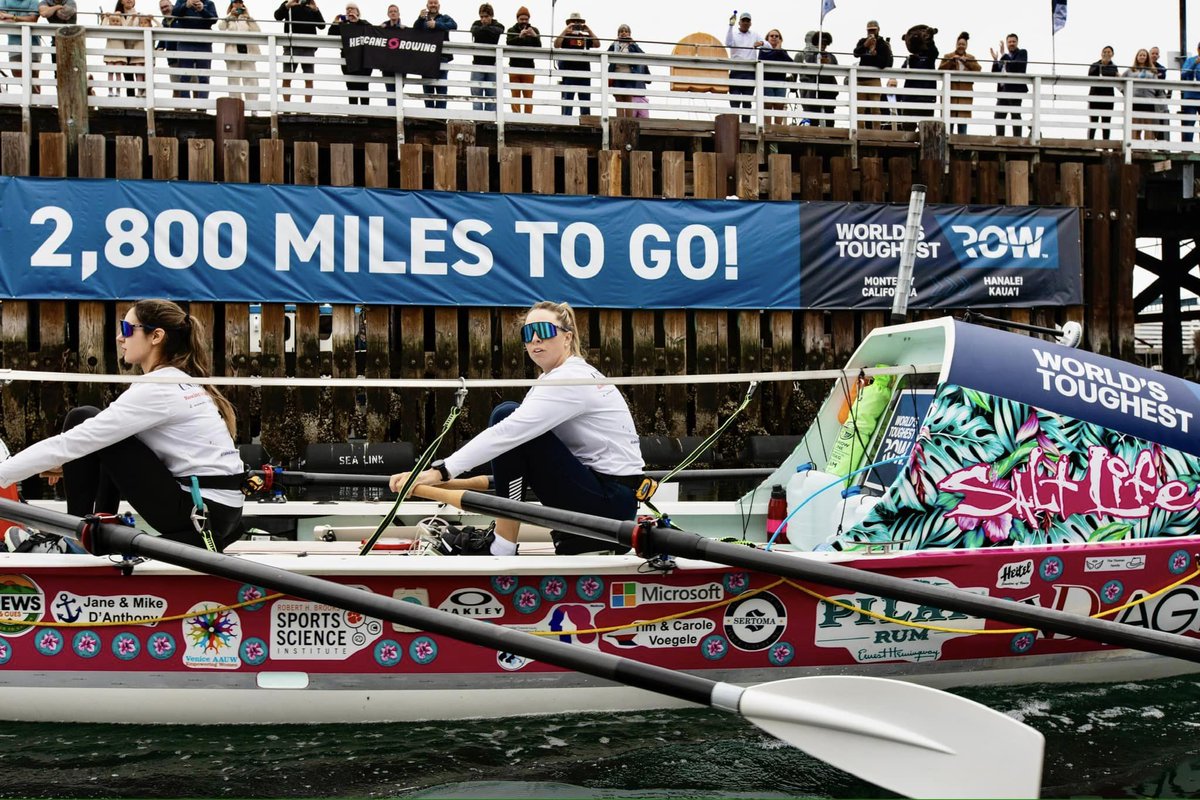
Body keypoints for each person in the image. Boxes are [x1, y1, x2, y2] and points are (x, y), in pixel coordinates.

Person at [388, 301, 643, 557]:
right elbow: (516, 467)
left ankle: (501, 546)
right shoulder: (558, 377)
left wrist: (439, 472)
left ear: (567, 338)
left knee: (506, 414)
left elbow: (507, 433)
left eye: (544, 330)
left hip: (609, 512)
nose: (535, 339)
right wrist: (447, 483)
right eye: (528, 333)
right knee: (511, 418)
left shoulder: (569, 379)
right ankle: (505, 540)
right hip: (611, 503)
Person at [0, 300, 246, 552]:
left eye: (127, 329)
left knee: (83, 419)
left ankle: (75, 540)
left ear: (156, 336)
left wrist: (2, 476)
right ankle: (93, 529)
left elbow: (71, 442)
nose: (120, 337)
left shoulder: (159, 388)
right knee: (98, 428)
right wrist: (73, 464)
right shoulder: (181, 381)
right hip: (221, 512)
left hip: (200, 514)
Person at [274, 0, 325, 103]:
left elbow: (322, 25)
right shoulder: (288, 2)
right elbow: (277, 16)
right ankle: (287, 107)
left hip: (308, 47)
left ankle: (307, 107)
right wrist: (287, 6)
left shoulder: (310, 5)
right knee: (287, 77)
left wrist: (316, 10)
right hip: (291, 46)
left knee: (309, 78)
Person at [102, 0, 155, 99]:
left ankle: (142, 102)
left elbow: (147, 26)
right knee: (128, 80)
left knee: (141, 77)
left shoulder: (139, 15)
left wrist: (151, 20)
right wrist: (106, 17)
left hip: (137, 50)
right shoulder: (116, 16)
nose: (129, 0)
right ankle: (131, 103)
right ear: (121, 1)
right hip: (123, 51)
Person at [171, 0, 218, 100]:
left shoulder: (209, 3)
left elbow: (214, 20)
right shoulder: (181, 1)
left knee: (204, 77)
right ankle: (186, 105)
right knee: (184, 76)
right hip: (185, 43)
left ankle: (202, 105)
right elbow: (174, 13)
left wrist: (202, 10)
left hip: (204, 44)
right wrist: (186, 6)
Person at [554, 11, 598, 117]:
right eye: (573, 22)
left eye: (578, 22)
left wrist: (589, 31)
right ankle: (566, 119)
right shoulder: (565, 37)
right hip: (569, 73)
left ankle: (586, 121)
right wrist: (565, 31)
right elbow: (556, 44)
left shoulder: (585, 37)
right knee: (568, 101)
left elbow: (597, 44)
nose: (576, 24)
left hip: (584, 73)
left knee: (585, 102)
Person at [414, 0, 456, 109]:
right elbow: (415, 29)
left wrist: (436, 24)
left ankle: (440, 115)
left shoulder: (445, 17)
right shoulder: (423, 19)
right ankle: (429, 115)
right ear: (427, 6)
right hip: (426, 58)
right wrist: (420, 18)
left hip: (442, 57)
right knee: (428, 89)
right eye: (431, 3)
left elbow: (454, 25)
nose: (433, 5)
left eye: (435, 3)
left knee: (441, 88)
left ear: (439, 6)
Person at [852, 19, 892, 129]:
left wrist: (875, 55)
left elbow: (885, 64)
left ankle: (876, 132)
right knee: (859, 109)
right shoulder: (862, 41)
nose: (871, 32)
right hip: (861, 80)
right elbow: (855, 53)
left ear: (878, 30)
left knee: (875, 109)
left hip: (874, 79)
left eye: (873, 30)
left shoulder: (883, 44)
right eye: (869, 30)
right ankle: (860, 132)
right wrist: (865, 45)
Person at [217, 0, 260, 101]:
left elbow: (257, 31)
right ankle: (235, 103)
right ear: (231, 5)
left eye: (240, 2)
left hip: (248, 52)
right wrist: (230, 16)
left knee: (250, 79)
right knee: (233, 79)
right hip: (232, 52)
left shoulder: (247, 19)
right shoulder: (228, 19)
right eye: (235, 2)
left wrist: (248, 17)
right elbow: (221, 28)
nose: (238, 4)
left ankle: (252, 104)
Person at [328, 2, 371, 104]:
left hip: (363, 59)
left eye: (352, 8)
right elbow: (330, 35)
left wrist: (357, 21)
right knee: (351, 86)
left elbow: (371, 31)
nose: (349, 10)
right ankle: (353, 110)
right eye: (347, 9)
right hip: (348, 59)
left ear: (357, 12)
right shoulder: (343, 25)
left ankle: (365, 110)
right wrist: (335, 22)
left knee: (364, 86)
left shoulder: (363, 23)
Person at [724, 9, 762, 123]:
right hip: (736, 70)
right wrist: (730, 26)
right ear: (739, 22)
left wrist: (761, 43)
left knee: (747, 101)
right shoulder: (733, 34)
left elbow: (768, 46)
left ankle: (745, 125)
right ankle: (734, 124)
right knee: (734, 99)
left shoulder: (755, 35)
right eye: (743, 20)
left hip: (750, 72)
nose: (745, 22)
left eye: (747, 21)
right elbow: (728, 43)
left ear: (750, 23)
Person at [938, 32, 979, 135]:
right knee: (948, 126)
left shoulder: (971, 57)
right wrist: (951, 61)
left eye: (963, 44)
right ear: (956, 44)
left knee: (962, 126)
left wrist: (967, 62)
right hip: (950, 95)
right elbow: (940, 69)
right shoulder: (948, 56)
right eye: (959, 44)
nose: (961, 46)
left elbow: (978, 70)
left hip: (965, 96)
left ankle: (962, 144)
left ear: (966, 46)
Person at [608, 23, 649, 119]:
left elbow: (642, 54)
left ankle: (629, 120)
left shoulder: (632, 45)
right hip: (616, 75)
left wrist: (633, 42)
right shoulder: (615, 45)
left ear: (629, 33)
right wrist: (614, 42)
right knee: (619, 100)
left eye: (626, 31)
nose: (624, 33)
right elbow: (608, 54)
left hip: (629, 75)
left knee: (628, 100)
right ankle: (620, 120)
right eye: (621, 31)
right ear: (618, 34)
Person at [990, 32, 1027, 137]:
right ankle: (1000, 139)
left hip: (1015, 90)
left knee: (1015, 116)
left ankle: (1017, 139)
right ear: (1006, 44)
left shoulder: (1022, 53)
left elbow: (1016, 66)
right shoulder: (1004, 57)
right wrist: (995, 60)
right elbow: (995, 73)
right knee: (998, 116)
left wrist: (1003, 55)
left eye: (1013, 41)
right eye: (1009, 42)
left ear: (1017, 42)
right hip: (1003, 91)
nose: (1011, 44)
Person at [1, 0, 42, 94]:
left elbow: (33, 19)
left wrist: (13, 17)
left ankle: (36, 99)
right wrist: (22, 18)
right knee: (16, 71)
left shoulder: (33, 1)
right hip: (13, 43)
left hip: (33, 43)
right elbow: (1, 16)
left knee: (34, 75)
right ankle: (34, 95)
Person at [505, 5, 540, 113]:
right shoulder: (511, 30)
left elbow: (539, 46)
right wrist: (520, 37)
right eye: (522, 19)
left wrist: (534, 36)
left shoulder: (534, 30)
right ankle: (516, 117)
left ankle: (527, 118)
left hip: (529, 68)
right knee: (515, 95)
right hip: (514, 67)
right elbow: (509, 43)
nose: (524, 21)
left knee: (528, 95)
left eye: (526, 19)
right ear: (517, 19)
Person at [469, 3, 503, 112]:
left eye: (486, 16)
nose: (483, 19)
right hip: (477, 64)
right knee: (476, 94)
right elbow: (475, 31)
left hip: (492, 65)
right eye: (481, 17)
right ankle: (478, 118)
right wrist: (487, 30)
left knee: (491, 94)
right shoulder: (476, 24)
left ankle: (489, 119)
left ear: (491, 16)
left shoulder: (498, 25)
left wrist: (484, 29)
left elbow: (499, 30)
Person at [801, 31, 837, 126]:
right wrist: (816, 60)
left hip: (829, 89)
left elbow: (836, 70)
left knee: (830, 114)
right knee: (814, 116)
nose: (823, 45)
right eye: (820, 42)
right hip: (815, 89)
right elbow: (807, 73)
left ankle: (830, 132)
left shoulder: (831, 56)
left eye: (825, 43)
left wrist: (827, 62)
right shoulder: (811, 56)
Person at [1123, 48, 1158, 141]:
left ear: (1147, 57)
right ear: (1137, 57)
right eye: (1140, 55)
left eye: (1144, 55)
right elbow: (1120, 81)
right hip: (1134, 100)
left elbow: (1157, 84)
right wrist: (1124, 91)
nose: (1142, 57)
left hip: (1149, 99)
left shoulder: (1152, 71)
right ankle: (1134, 145)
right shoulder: (1130, 70)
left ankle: (1147, 146)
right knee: (1135, 124)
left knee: (1148, 124)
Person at [1087, 45, 1118, 141]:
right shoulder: (1095, 64)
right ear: (1101, 53)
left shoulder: (1114, 67)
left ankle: (1105, 145)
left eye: (1109, 52)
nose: (1106, 54)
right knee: (1093, 122)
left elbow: (1116, 78)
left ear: (1112, 54)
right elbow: (1090, 75)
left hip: (1108, 98)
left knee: (1106, 123)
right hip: (1095, 96)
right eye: (1104, 52)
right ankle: (1090, 144)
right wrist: (1101, 65)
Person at [379, 4, 403, 105]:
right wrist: (380, 29)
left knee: (398, 90)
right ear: (388, 14)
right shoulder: (383, 28)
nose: (393, 13)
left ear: (398, 14)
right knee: (390, 91)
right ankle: (392, 111)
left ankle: (398, 110)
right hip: (387, 64)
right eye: (391, 11)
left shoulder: (404, 29)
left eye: (395, 11)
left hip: (401, 65)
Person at [1183, 41, 1200, 143]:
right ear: (1198, 49)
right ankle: (1187, 148)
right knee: (1189, 123)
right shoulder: (1190, 60)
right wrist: (1194, 64)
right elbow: (1183, 74)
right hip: (1191, 96)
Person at [1150, 46, 1168, 140]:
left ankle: (1161, 142)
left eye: (1156, 54)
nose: (1154, 55)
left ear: (1159, 56)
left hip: (1158, 97)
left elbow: (1161, 76)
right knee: (1148, 120)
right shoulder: (1142, 67)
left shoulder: (1162, 68)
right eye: (1152, 53)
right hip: (1147, 96)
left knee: (1161, 120)